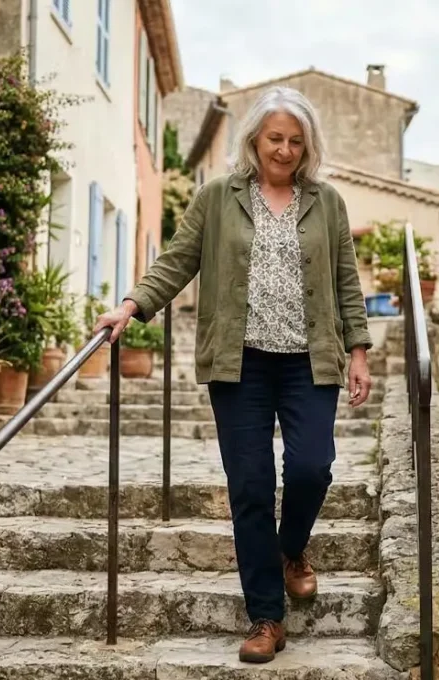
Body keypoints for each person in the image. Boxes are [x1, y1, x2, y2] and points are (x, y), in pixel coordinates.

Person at [92, 86, 373, 663]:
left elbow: (346, 279)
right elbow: (176, 261)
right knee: (249, 488)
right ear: (253, 139)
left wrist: (360, 350)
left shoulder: (328, 203)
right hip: (238, 364)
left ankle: (291, 549)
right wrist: (130, 305)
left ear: (308, 145)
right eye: (276, 138)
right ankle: (267, 618)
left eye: (296, 141)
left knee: (314, 467)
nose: (286, 150)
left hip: (309, 361)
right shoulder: (218, 198)